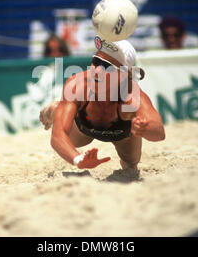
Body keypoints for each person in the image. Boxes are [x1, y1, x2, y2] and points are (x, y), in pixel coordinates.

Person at [39, 36, 165, 170]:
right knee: (68, 134)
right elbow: (57, 137)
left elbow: (159, 132)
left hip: (121, 134)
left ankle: (60, 108)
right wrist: (78, 160)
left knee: (131, 164)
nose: (97, 70)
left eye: (106, 67)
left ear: (124, 75)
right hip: (82, 129)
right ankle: (56, 109)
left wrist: (145, 129)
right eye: (96, 61)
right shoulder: (78, 85)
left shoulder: (131, 96)